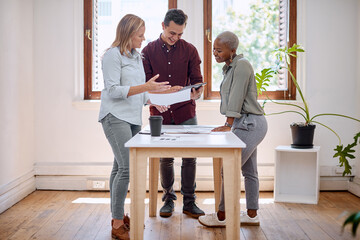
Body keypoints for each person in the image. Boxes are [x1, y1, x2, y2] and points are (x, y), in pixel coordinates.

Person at [98, 14, 171, 240]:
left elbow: (139, 91)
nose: (143, 38)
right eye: (139, 35)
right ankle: (118, 223)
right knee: (127, 169)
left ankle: (116, 215)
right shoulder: (112, 56)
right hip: (114, 116)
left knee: (118, 168)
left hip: (132, 118)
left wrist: (152, 99)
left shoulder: (136, 57)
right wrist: (145, 88)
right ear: (128, 34)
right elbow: (113, 90)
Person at [198, 31, 268, 227]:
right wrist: (231, 124)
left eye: (219, 50)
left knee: (228, 167)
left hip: (250, 124)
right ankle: (252, 215)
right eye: (214, 49)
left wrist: (228, 124)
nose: (215, 53)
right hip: (244, 123)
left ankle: (222, 215)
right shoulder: (230, 67)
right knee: (249, 169)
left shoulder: (242, 66)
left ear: (233, 50)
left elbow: (237, 97)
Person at [141, 9, 205, 219]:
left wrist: (197, 92)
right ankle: (168, 199)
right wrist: (159, 94)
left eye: (180, 34)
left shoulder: (191, 50)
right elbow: (146, 85)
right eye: (172, 33)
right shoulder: (147, 51)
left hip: (186, 110)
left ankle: (189, 201)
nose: (176, 38)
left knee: (190, 157)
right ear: (163, 26)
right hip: (159, 112)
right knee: (165, 158)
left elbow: (197, 80)